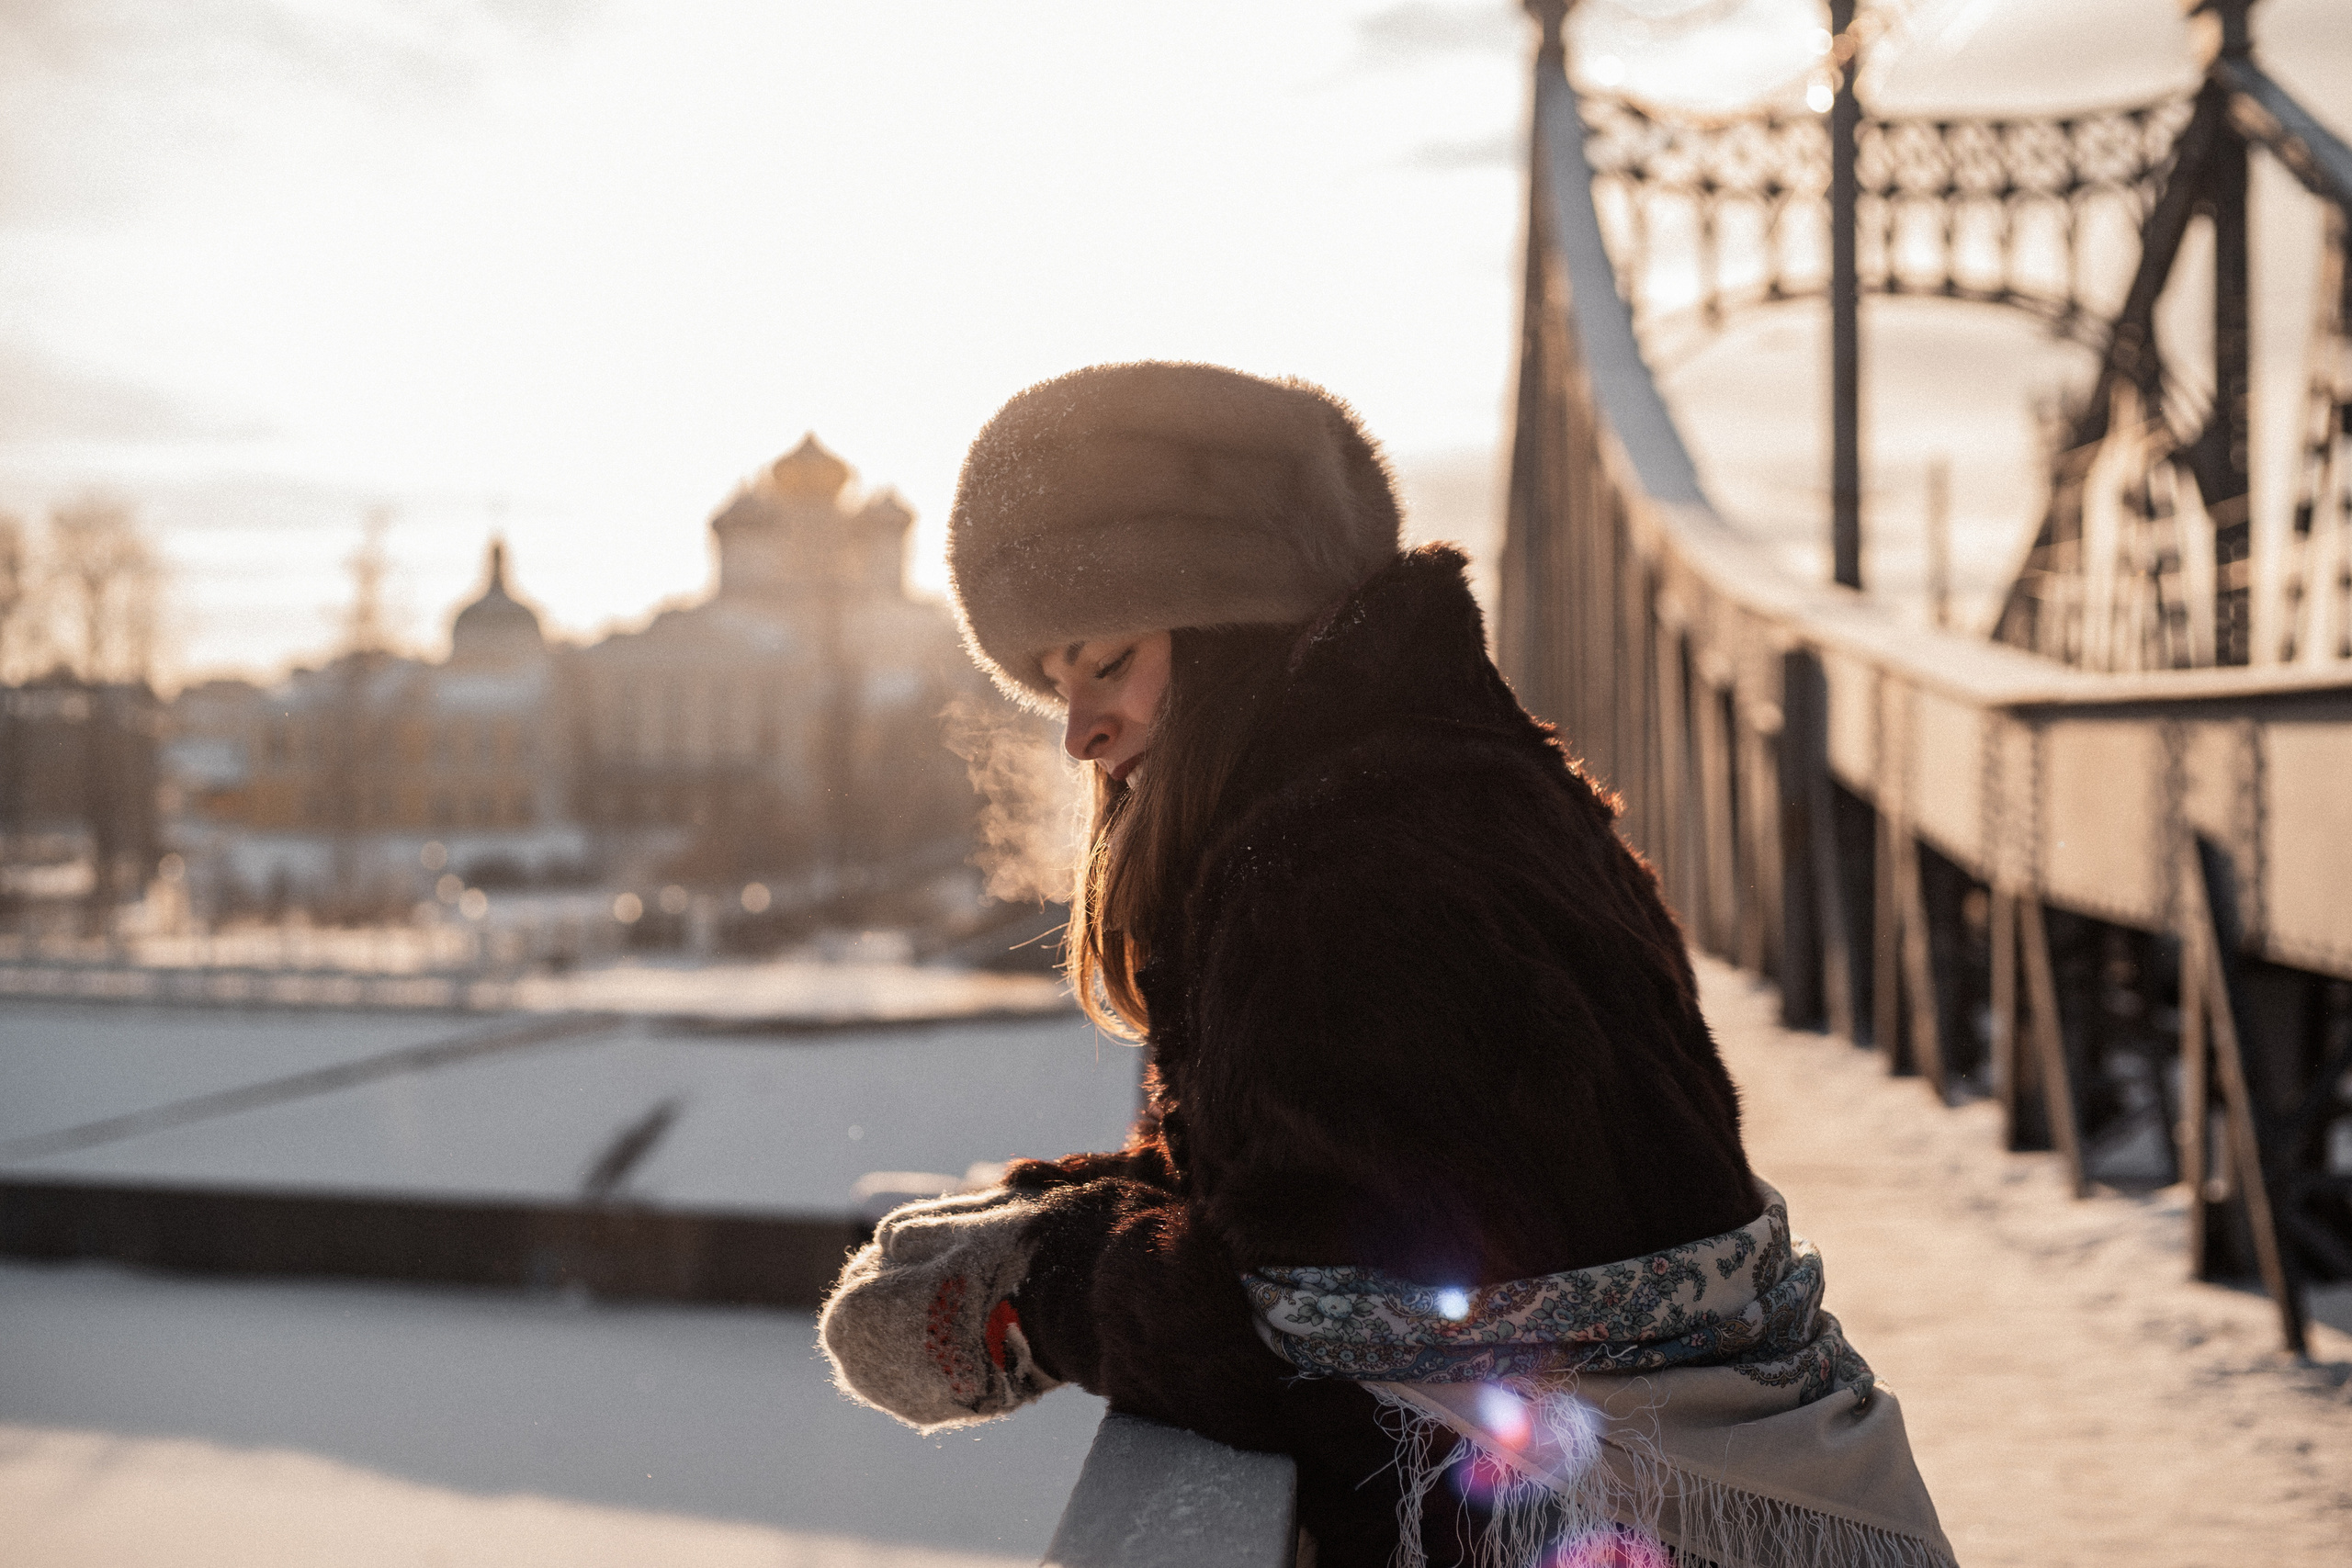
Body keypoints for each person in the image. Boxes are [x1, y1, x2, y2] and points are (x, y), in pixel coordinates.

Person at [820, 363, 1951, 1568]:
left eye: (1105, 659)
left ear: (1225, 630)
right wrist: (1061, 1208)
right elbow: (1343, 1199)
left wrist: (1033, 1297)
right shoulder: (1448, 789)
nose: (1077, 730)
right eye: (1054, 684)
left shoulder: (1339, 869)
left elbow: (1309, 1330)